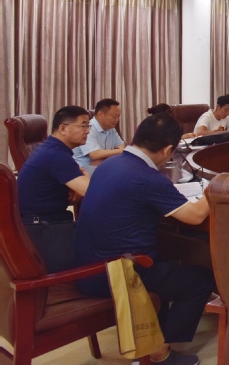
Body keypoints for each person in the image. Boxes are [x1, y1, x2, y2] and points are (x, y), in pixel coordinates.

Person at [76, 114, 214, 365]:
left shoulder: (109, 165)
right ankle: (159, 352)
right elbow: (195, 216)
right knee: (201, 280)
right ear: (167, 150)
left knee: (169, 260)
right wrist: (214, 187)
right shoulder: (147, 177)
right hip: (118, 275)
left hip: (88, 267)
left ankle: (152, 337)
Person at [16, 105, 92, 272]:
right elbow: (93, 192)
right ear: (63, 129)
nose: (87, 131)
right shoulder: (56, 155)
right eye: (83, 125)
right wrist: (86, 174)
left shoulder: (51, 149)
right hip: (42, 230)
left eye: (88, 126)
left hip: (43, 223)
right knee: (108, 242)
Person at [72, 98, 125, 174]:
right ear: (101, 114)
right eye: (114, 116)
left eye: (118, 116)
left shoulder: (111, 129)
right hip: (82, 171)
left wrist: (112, 154)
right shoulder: (88, 129)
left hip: (101, 167)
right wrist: (120, 151)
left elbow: (121, 145)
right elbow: (95, 155)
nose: (117, 120)